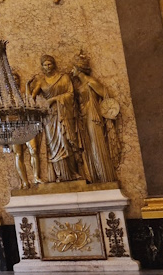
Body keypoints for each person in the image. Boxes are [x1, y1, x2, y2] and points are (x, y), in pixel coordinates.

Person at [26, 54, 81, 182]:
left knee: (66, 140)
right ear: (42, 67)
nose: (48, 67)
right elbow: (30, 100)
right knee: (53, 146)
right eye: (45, 65)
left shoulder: (64, 77)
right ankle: (59, 174)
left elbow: (71, 94)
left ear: (54, 64)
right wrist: (27, 86)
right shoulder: (41, 81)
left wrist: (54, 99)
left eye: (49, 64)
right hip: (49, 117)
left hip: (64, 113)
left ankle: (72, 173)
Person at [71, 51, 119, 183]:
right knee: (89, 145)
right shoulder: (80, 85)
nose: (71, 70)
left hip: (93, 115)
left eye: (73, 68)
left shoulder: (91, 82)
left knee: (96, 144)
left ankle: (105, 177)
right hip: (84, 115)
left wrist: (109, 113)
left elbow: (106, 95)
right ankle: (94, 176)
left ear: (79, 69)